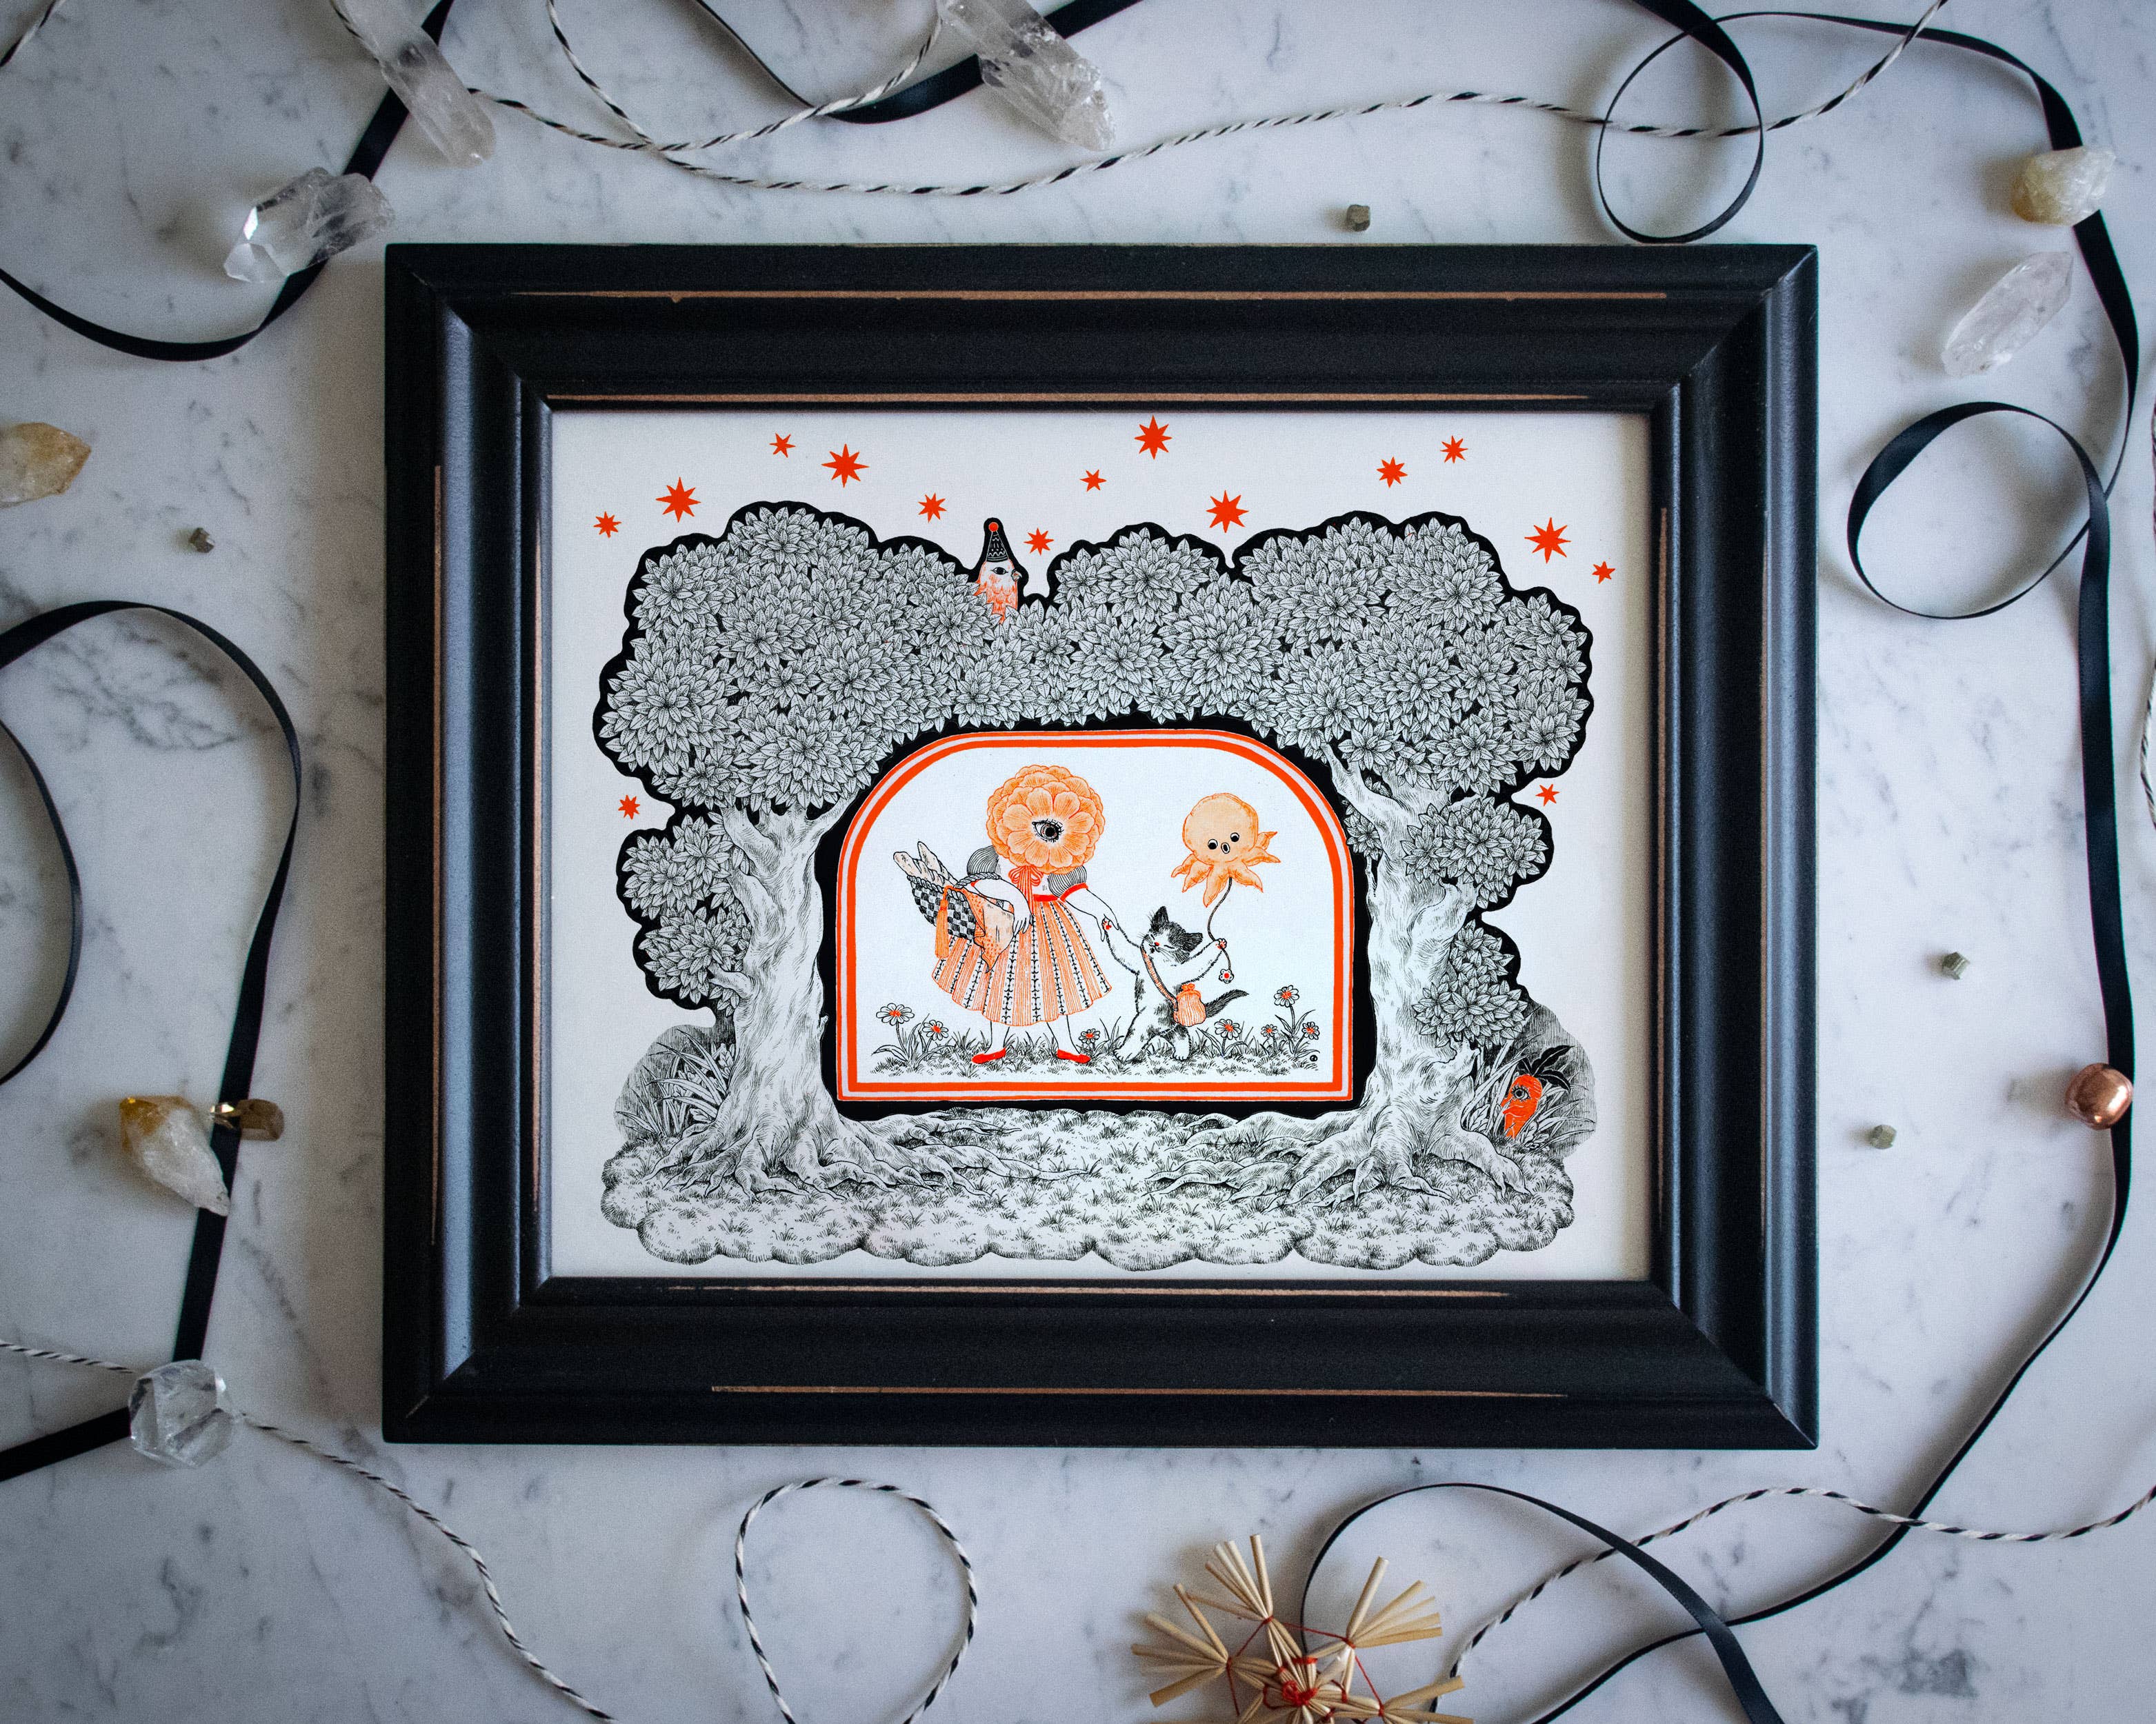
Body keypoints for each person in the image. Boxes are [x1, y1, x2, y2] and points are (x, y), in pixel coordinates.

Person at [935, 764, 1126, 1065]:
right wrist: (1016, 899)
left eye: (1054, 829)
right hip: (1001, 924)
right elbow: (978, 883)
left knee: (1052, 987)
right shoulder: (999, 855)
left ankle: (1066, 1045)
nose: (1048, 834)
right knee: (999, 985)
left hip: (1048, 929)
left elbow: (1073, 893)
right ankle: (996, 1045)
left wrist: (1102, 911)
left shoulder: (1059, 860)